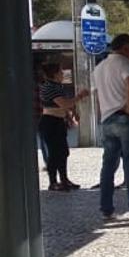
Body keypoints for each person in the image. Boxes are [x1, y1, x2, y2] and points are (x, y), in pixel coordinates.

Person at [92, 34, 129, 220]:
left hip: (107, 119)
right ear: (126, 47)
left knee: (108, 165)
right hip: (124, 117)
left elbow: (97, 95)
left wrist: (102, 116)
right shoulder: (124, 63)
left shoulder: (99, 67)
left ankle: (106, 208)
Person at [38, 63, 90, 191]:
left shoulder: (58, 86)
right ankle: (53, 182)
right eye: (61, 72)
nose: (63, 74)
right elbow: (64, 103)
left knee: (63, 152)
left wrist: (72, 114)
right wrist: (80, 96)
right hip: (50, 122)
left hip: (58, 121)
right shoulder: (49, 87)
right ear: (55, 74)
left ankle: (64, 179)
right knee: (54, 153)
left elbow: (65, 105)